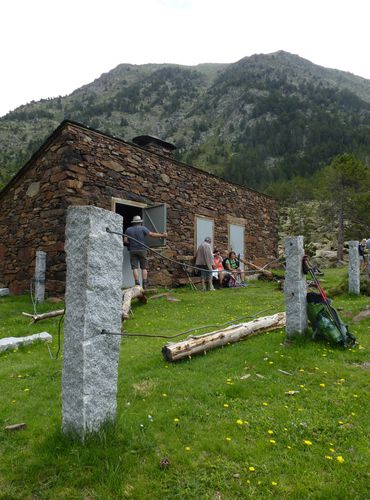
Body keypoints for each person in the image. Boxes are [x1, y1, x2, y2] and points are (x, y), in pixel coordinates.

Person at [124, 215, 167, 289]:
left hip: (132, 250)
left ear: (133, 222)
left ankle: (137, 284)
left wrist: (131, 243)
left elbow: (125, 241)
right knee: (144, 267)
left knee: (134, 267)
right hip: (142, 250)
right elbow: (152, 234)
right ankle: (145, 284)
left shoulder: (128, 230)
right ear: (140, 222)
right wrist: (162, 235)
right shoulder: (143, 228)